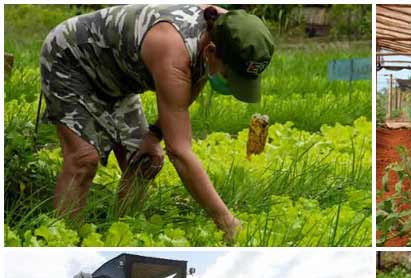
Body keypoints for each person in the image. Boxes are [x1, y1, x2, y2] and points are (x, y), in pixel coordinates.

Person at [40, 4, 275, 240]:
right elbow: (179, 151)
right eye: (228, 74)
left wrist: (153, 136)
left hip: (119, 76)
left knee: (147, 160)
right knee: (83, 159)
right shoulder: (173, 48)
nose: (229, 82)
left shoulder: (229, 29)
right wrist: (226, 221)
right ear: (211, 52)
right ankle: (63, 237)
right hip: (73, 59)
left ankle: (121, 231)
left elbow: (189, 88)